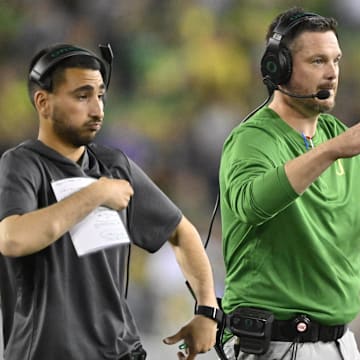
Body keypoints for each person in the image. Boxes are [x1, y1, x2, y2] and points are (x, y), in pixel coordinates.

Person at [0, 43, 220, 360]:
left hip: (120, 352)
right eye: (82, 96)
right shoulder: (23, 164)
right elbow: (13, 239)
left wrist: (207, 310)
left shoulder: (114, 164)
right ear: (43, 103)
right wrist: (95, 193)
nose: (98, 109)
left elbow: (181, 232)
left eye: (100, 95)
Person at [218, 6, 360, 360]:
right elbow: (251, 205)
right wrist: (329, 152)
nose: (332, 74)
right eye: (317, 61)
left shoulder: (338, 137)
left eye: (336, 61)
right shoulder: (253, 139)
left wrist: (332, 148)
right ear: (277, 67)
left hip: (342, 344)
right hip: (278, 346)